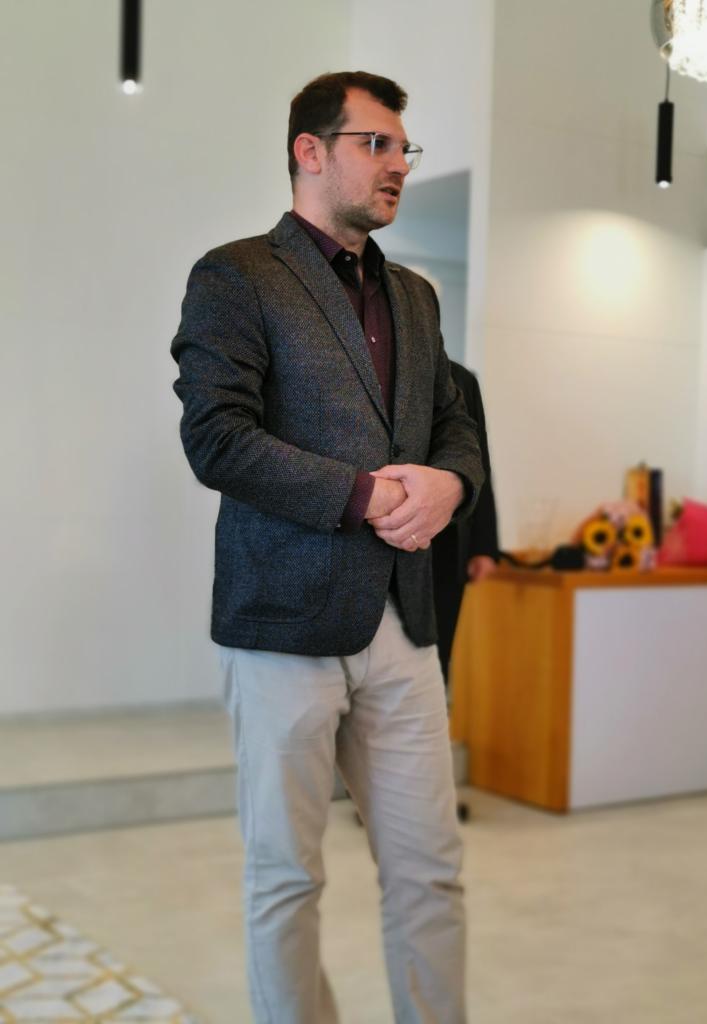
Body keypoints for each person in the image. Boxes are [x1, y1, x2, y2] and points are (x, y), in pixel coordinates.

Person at [170, 71, 483, 1024]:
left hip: (403, 625)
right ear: (310, 151)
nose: (397, 167)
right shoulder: (237, 275)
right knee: (286, 877)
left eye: (403, 149)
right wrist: (364, 495)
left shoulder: (416, 296)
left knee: (431, 872)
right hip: (283, 624)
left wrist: (451, 484)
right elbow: (216, 437)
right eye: (374, 144)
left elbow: (454, 423)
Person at [432, 360, 499, 685]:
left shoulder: (461, 379)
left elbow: (478, 462)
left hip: (446, 545)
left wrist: (484, 545)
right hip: (384, 538)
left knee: (437, 660)